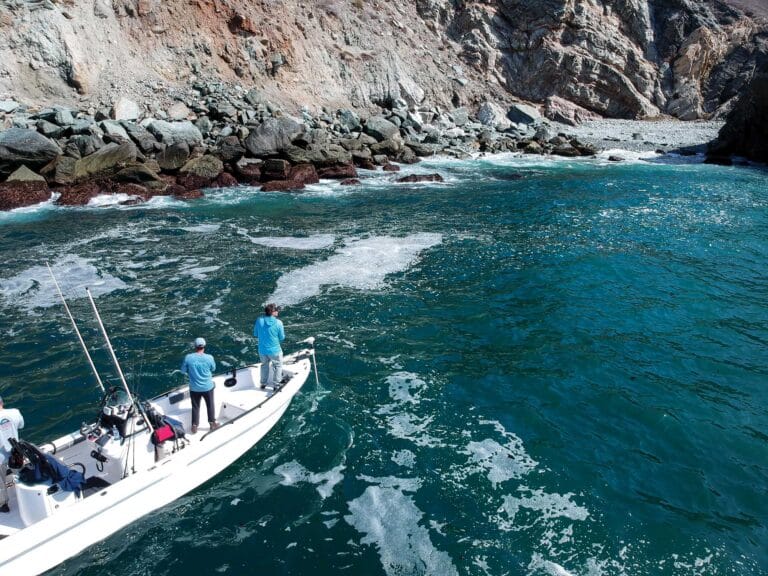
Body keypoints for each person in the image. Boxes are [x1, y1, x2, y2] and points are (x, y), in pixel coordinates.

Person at [180, 337, 218, 434]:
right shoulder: (209, 357)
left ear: (195, 346)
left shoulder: (188, 357)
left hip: (194, 388)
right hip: (208, 387)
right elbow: (213, 369)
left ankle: (194, 425)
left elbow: (183, 371)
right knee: (210, 405)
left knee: (195, 406)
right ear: (204, 346)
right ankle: (212, 423)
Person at [0, 395, 24, 513]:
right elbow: (21, 425)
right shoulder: (15, 412)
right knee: (21, 476)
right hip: (16, 453)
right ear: (2, 402)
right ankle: (26, 495)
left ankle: (3, 505)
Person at [253, 303, 285, 389]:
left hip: (262, 350)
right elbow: (282, 337)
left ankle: (263, 383)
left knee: (264, 365)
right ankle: (276, 384)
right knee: (278, 366)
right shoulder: (279, 323)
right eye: (276, 310)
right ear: (273, 312)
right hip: (275, 350)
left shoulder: (259, 320)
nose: (278, 311)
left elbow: (255, 333)